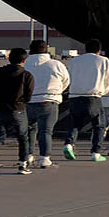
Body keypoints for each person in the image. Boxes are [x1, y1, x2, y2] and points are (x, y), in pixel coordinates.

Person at [0, 48, 35, 176]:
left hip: (0, 108)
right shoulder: (26, 75)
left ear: (9, 58)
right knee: (23, 137)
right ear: (24, 60)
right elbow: (28, 95)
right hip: (17, 109)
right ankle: (22, 164)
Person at [63, 38, 109, 162]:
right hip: (93, 96)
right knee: (99, 125)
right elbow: (108, 80)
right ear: (99, 49)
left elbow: (69, 77)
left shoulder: (75, 60)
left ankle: (69, 144)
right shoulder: (104, 61)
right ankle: (96, 153)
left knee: (74, 123)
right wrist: (103, 92)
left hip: (75, 95)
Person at [24, 39, 70, 169]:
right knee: (45, 131)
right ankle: (44, 158)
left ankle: (28, 155)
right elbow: (66, 80)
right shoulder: (56, 64)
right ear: (46, 50)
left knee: (29, 130)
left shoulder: (26, 64)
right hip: (48, 101)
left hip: (29, 101)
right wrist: (57, 92)